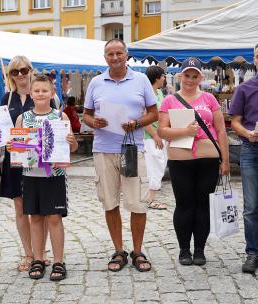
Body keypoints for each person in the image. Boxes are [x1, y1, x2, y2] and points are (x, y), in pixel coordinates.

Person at [83, 39, 158, 272]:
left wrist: (137, 123)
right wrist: (93, 121)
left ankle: (137, 251)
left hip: (132, 150)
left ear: (127, 55)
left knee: (137, 203)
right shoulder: (96, 82)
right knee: (110, 202)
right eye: (109, 54)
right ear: (105, 57)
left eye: (118, 53)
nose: (114, 57)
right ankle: (118, 250)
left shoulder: (141, 80)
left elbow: (154, 113)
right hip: (104, 150)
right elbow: (85, 115)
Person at [158, 57, 230, 266]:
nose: (190, 79)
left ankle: (199, 249)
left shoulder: (209, 98)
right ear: (180, 76)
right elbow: (162, 130)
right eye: (186, 75)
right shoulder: (169, 100)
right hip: (181, 158)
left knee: (203, 204)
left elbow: (221, 130)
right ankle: (183, 250)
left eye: (194, 75)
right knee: (184, 204)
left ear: (200, 77)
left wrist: (225, 160)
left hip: (208, 158)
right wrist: (185, 131)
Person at [13, 74, 78, 280]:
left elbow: (73, 148)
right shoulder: (23, 118)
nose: (41, 94)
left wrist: (71, 141)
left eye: (45, 91)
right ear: (31, 93)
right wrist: (13, 146)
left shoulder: (60, 117)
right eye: (37, 91)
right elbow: (18, 148)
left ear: (52, 93)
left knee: (54, 218)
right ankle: (38, 259)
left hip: (55, 174)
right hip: (31, 174)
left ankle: (59, 261)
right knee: (35, 218)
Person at [0, 55, 49, 271]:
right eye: (15, 71)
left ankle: (41, 252)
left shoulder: (41, 93)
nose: (20, 74)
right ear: (10, 75)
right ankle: (28, 254)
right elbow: (2, 132)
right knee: (20, 207)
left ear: (30, 70)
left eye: (24, 70)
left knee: (41, 207)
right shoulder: (6, 99)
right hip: (15, 159)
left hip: (38, 159)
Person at [229, 44, 258, 274]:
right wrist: (248, 133)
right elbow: (235, 122)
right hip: (251, 149)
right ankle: (253, 252)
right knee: (251, 207)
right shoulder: (245, 88)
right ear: (254, 60)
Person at [144, 66, 168, 210]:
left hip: (160, 134)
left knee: (160, 165)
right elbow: (143, 118)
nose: (164, 78)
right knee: (152, 167)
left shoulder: (159, 93)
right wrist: (155, 135)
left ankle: (151, 198)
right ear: (157, 78)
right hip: (149, 136)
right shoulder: (146, 94)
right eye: (163, 76)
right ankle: (150, 200)